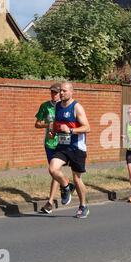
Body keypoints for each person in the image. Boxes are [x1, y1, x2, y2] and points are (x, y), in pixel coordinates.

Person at [44, 82, 91, 218]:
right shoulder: (58, 106)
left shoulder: (77, 107)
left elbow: (87, 128)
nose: (61, 93)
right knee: (53, 169)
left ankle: (83, 206)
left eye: (64, 91)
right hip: (62, 146)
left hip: (76, 147)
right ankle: (66, 186)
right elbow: (57, 123)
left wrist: (70, 130)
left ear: (71, 92)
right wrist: (54, 130)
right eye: (61, 91)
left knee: (77, 179)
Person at [35, 83, 61, 214]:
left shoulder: (65, 106)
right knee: (53, 171)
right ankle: (66, 185)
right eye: (52, 92)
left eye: (56, 93)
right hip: (50, 143)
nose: (54, 95)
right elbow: (37, 124)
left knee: (55, 170)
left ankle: (50, 202)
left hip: (62, 143)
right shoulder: (45, 106)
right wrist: (48, 125)